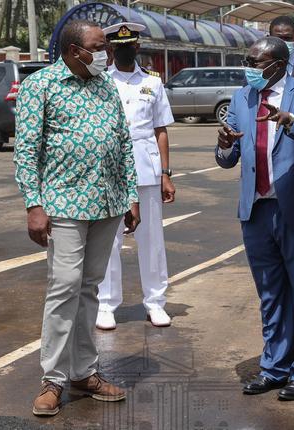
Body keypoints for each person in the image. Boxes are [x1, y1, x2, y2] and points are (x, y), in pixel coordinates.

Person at [13, 20, 141, 416]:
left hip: (106, 204)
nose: (107, 53)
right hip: (64, 204)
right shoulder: (42, 86)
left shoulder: (105, 85)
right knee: (64, 287)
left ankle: (84, 371)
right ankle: (52, 379)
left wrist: (131, 194)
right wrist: (34, 204)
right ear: (73, 51)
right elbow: (27, 149)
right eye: (99, 46)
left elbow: (122, 141)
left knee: (89, 289)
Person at [216, 37, 294, 401]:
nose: (250, 67)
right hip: (256, 209)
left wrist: (292, 122)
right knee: (270, 294)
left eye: (257, 61)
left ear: (279, 65)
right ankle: (274, 367)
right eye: (247, 60)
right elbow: (228, 157)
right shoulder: (242, 97)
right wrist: (223, 144)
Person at [96, 22, 176, 330]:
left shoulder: (153, 83)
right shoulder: (101, 81)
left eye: (131, 46)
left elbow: (161, 131)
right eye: (119, 46)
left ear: (138, 47)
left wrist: (166, 174)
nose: (126, 51)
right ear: (112, 49)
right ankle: (106, 304)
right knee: (108, 241)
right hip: (110, 171)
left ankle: (155, 302)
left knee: (152, 239)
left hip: (145, 167)